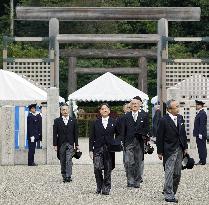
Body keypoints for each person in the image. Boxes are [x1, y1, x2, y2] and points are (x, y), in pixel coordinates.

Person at [156, 99, 188, 203]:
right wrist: (159, 152)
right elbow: (159, 137)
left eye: (178, 106)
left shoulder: (180, 118)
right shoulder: (163, 120)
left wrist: (185, 148)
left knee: (177, 174)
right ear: (169, 109)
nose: (178, 108)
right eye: (176, 107)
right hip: (168, 150)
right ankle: (169, 195)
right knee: (169, 173)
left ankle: (170, 190)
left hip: (179, 149)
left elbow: (183, 133)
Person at [89, 103, 119, 195]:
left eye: (106, 109)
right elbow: (91, 137)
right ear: (100, 111)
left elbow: (119, 134)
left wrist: (116, 142)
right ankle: (99, 185)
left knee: (108, 168)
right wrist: (90, 150)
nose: (104, 110)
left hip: (109, 148)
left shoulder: (114, 121)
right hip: (98, 148)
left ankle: (106, 187)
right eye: (102, 109)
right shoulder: (95, 122)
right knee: (97, 168)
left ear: (109, 111)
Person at [120, 96, 149, 188]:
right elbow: (123, 130)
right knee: (128, 162)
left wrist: (144, 137)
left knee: (138, 162)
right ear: (130, 106)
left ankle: (137, 181)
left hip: (139, 142)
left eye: (136, 104)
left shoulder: (144, 115)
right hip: (129, 141)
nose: (134, 105)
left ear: (140, 105)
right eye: (132, 104)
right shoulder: (126, 116)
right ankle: (130, 180)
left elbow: (147, 128)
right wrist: (123, 141)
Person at [53, 104, 80, 183]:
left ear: (69, 110)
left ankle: (68, 176)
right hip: (61, 143)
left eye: (66, 109)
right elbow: (55, 133)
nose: (65, 111)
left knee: (69, 159)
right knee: (62, 160)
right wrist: (55, 144)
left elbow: (75, 133)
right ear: (61, 111)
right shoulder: (57, 121)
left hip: (70, 143)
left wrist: (77, 144)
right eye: (63, 110)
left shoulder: (73, 120)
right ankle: (64, 175)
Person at [193, 100, 207, 165]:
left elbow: (202, 124)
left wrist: (200, 133)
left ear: (200, 106)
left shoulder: (202, 113)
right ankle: (201, 159)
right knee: (200, 147)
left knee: (202, 147)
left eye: (197, 105)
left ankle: (203, 161)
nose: (196, 106)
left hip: (201, 134)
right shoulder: (200, 113)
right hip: (198, 133)